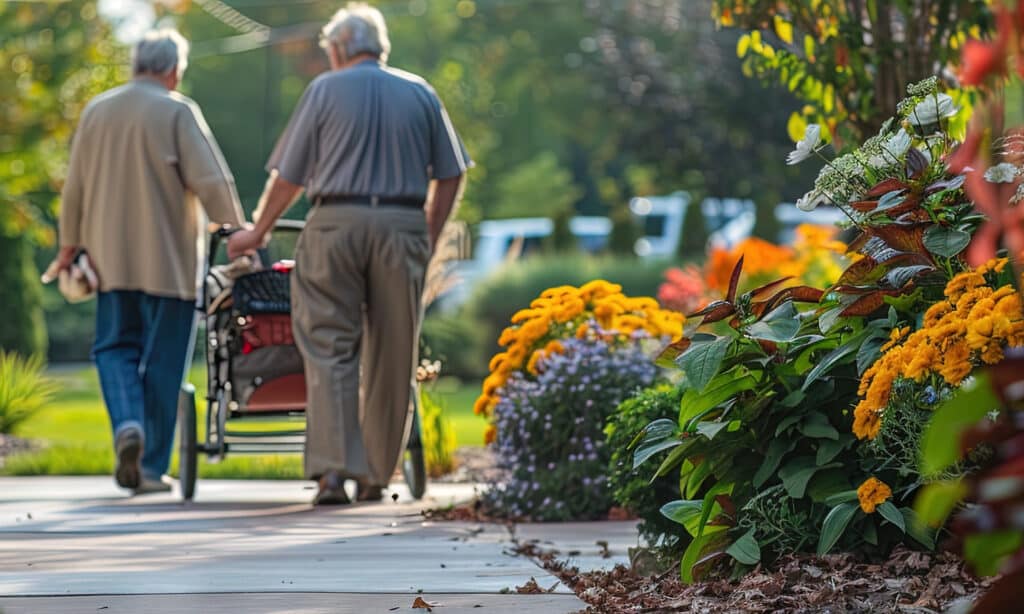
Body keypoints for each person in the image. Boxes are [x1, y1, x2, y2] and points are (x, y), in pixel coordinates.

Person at [228, 3, 469, 504]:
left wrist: (258, 231)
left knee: (329, 345)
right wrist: (427, 229)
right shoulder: (419, 91)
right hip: (402, 225)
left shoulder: (324, 90)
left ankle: (334, 473)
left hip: (334, 224)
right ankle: (377, 475)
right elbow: (452, 172)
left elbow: (289, 177)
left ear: (338, 48)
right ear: (381, 47)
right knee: (393, 351)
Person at [58, 29, 245, 494]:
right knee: (164, 362)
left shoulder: (97, 110)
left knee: (113, 347)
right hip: (171, 262)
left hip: (109, 260)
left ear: (135, 64)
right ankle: (149, 468)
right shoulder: (178, 110)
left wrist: (69, 244)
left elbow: (75, 187)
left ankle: (127, 423)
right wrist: (239, 231)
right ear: (174, 70)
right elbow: (211, 180)